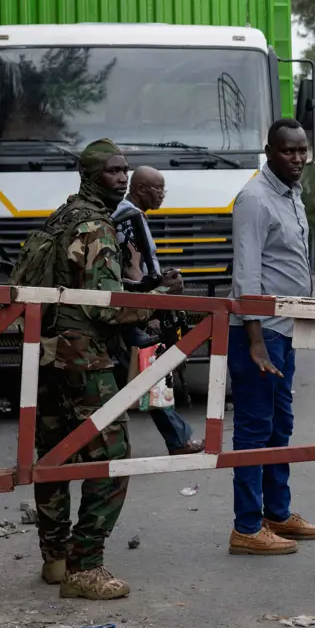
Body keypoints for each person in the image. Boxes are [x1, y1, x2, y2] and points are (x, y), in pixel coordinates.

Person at [31, 139, 181, 599]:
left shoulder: (60, 218)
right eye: (113, 171)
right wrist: (157, 302)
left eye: (125, 170)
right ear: (91, 176)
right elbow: (107, 308)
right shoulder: (96, 227)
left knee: (53, 457)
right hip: (84, 358)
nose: (122, 177)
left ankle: (55, 559)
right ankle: (85, 567)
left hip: (46, 354)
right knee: (111, 457)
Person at [226, 119, 315, 556]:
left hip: (285, 328)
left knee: (280, 424)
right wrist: (255, 339)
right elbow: (247, 273)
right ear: (269, 151)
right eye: (289, 151)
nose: (299, 159)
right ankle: (246, 527)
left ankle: (277, 514)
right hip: (259, 331)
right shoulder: (254, 199)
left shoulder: (293, 195)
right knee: (254, 427)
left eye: (303, 151)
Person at [113, 166, 201, 455]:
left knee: (143, 374)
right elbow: (132, 271)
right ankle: (178, 439)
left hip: (129, 307)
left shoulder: (127, 214)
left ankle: (177, 438)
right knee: (151, 371)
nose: (162, 194)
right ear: (140, 189)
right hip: (131, 311)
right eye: (158, 188)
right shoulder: (130, 217)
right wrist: (154, 299)